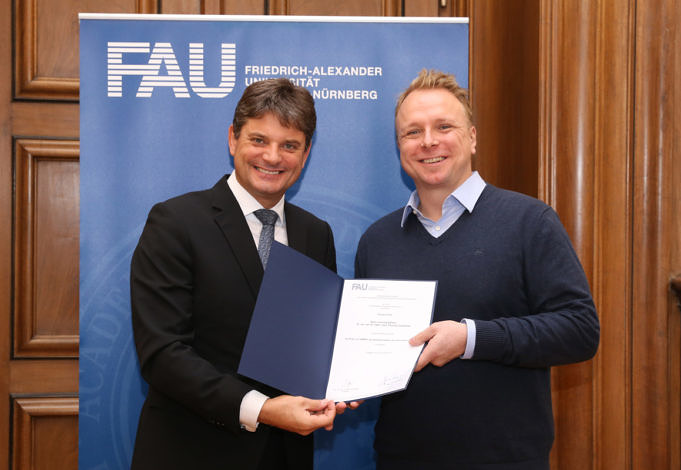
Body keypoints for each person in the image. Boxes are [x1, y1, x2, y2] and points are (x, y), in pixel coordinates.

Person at [354, 69, 600, 470]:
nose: (428, 141)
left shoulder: (530, 222)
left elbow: (580, 331)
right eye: (412, 132)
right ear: (400, 147)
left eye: (443, 126)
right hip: (402, 458)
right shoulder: (377, 241)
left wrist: (471, 338)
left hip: (505, 460)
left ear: (471, 138)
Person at [130, 78, 349, 470]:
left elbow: (319, 343)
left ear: (306, 154)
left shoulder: (316, 234)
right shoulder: (176, 222)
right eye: (259, 140)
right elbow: (163, 354)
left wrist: (349, 381)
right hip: (193, 454)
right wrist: (261, 409)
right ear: (233, 139)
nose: (273, 156)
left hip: (286, 457)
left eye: (290, 145)